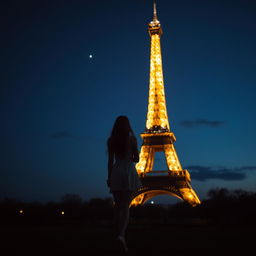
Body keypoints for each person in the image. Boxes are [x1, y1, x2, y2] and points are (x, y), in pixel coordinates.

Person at [107, 116, 141, 252]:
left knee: (118, 207)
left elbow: (110, 161)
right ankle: (121, 236)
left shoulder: (111, 140)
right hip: (128, 172)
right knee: (126, 207)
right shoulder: (132, 139)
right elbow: (137, 159)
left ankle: (117, 235)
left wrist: (109, 178)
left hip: (116, 172)